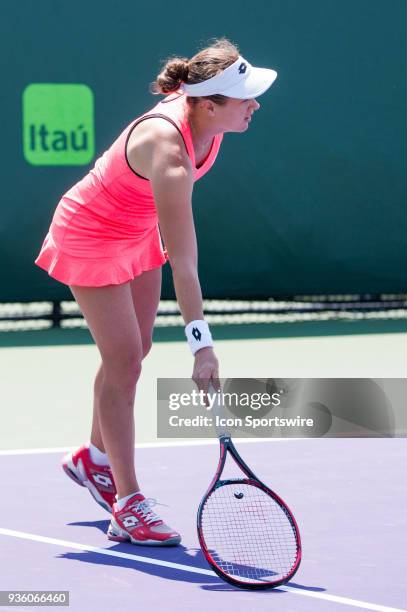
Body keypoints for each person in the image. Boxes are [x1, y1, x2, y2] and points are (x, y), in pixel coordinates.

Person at [34, 37, 278, 546]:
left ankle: (92, 458)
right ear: (209, 104)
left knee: (135, 350)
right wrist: (202, 346)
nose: (255, 104)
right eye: (245, 98)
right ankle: (127, 502)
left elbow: (173, 247)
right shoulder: (168, 149)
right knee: (124, 362)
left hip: (135, 229)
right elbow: (185, 263)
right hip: (91, 233)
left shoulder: (208, 121)